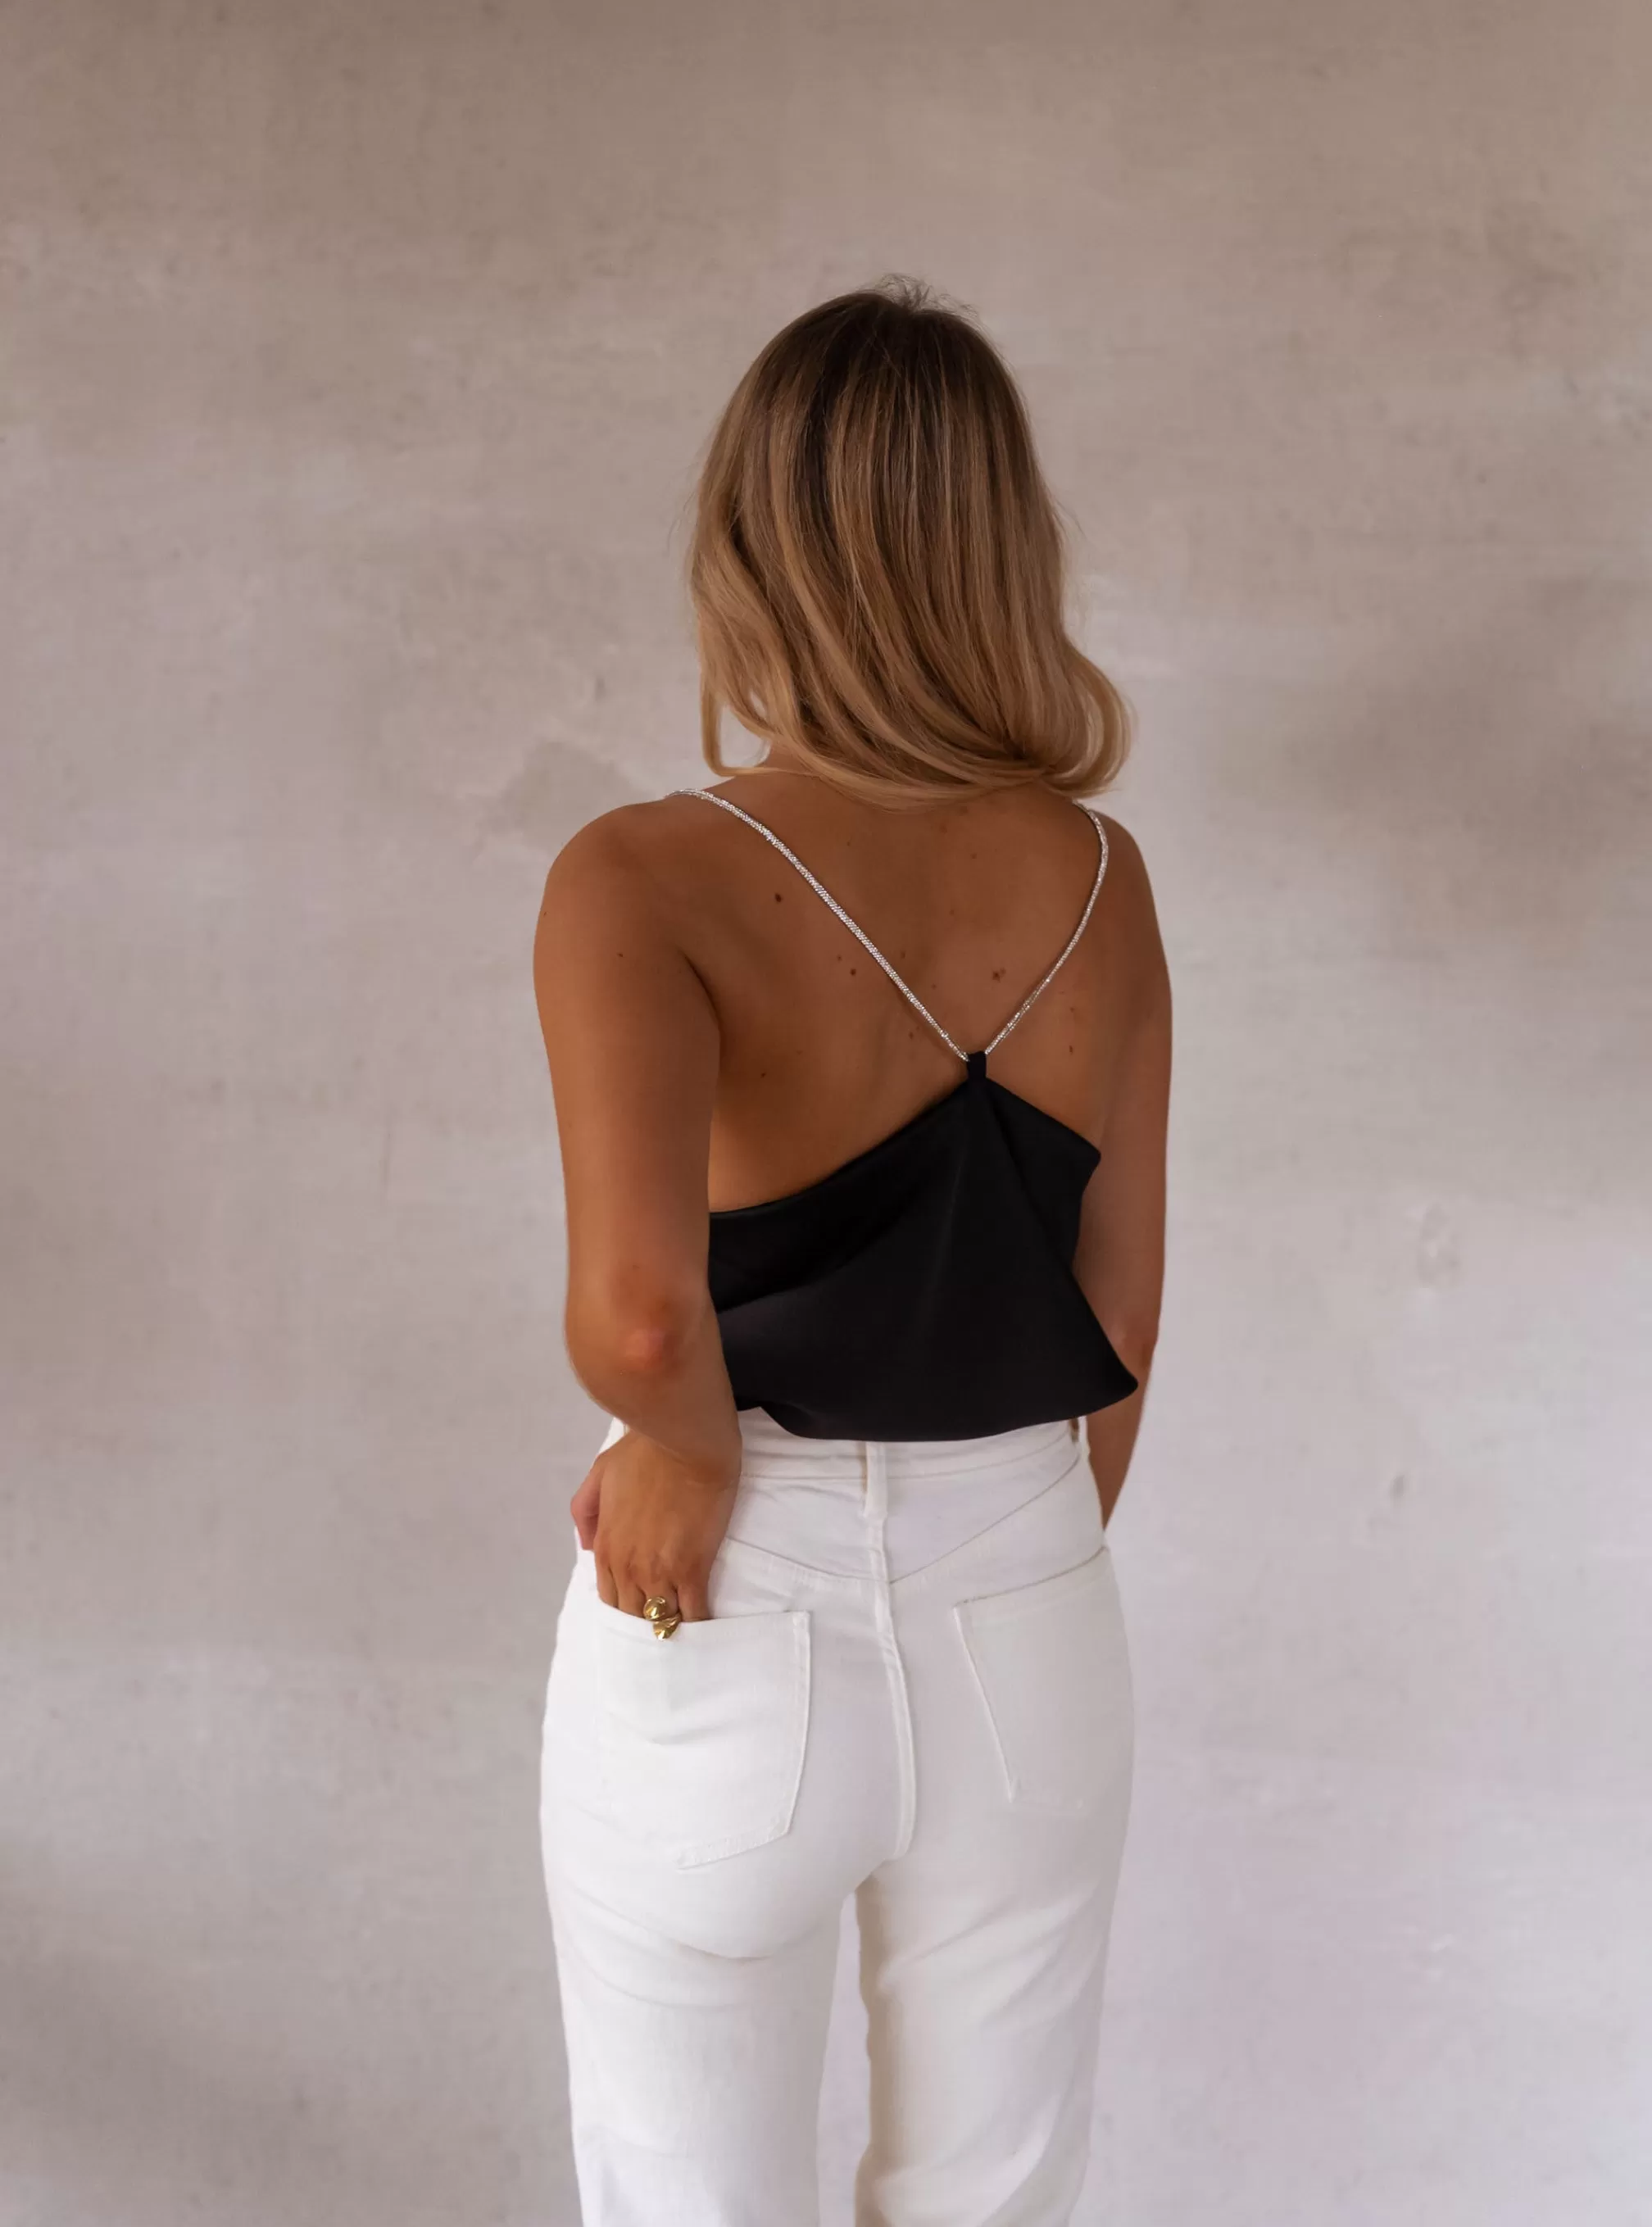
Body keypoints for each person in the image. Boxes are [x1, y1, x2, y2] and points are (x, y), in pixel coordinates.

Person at [532, 277, 1171, 2227]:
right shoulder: (1102, 876)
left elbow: (642, 1320)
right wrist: (1000, 1544)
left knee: (685, 2197)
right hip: (1030, 1608)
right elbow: (1117, 1314)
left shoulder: (642, 877)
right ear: (1004, 550)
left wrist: (692, 1447)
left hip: (725, 1610)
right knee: (994, 2195)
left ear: (750, 549)